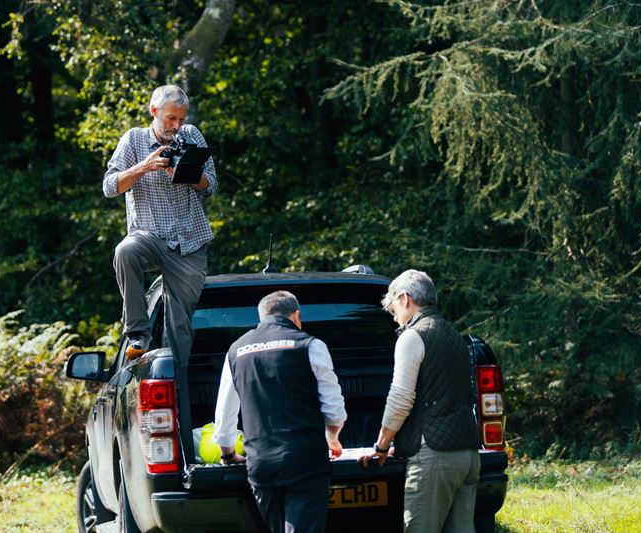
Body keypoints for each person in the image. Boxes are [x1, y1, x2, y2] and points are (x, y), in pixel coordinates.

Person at [213, 290, 347, 533]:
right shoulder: (310, 345)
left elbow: (225, 412)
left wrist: (227, 454)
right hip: (305, 461)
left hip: (261, 464)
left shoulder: (236, 350)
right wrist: (332, 438)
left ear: (261, 316)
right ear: (296, 315)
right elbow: (334, 409)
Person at [358, 270, 480, 532]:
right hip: (468, 456)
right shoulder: (455, 338)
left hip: (435, 458)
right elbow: (442, 396)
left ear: (405, 299)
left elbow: (401, 399)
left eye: (393, 311)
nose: (395, 318)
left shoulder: (412, 337)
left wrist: (381, 447)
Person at [102, 84, 217, 361]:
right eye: (171, 118)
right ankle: (138, 334)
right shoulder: (134, 139)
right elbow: (109, 186)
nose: (177, 125)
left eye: (181, 119)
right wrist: (145, 166)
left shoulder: (191, 135)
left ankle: (176, 385)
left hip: (188, 241)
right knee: (124, 251)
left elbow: (210, 185)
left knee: (178, 328)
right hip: (148, 235)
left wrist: (187, 173)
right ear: (154, 111)